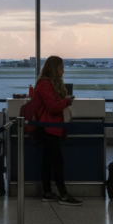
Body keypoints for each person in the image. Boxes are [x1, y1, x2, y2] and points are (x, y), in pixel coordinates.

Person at [32, 55, 81, 206]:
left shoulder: (47, 84)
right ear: (54, 68)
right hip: (47, 129)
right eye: (61, 67)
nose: (63, 71)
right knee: (57, 161)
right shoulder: (45, 85)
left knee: (48, 162)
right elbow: (53, 107)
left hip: (49, 128)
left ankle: (47, 192)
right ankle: (64, 195)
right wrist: (67, 101)